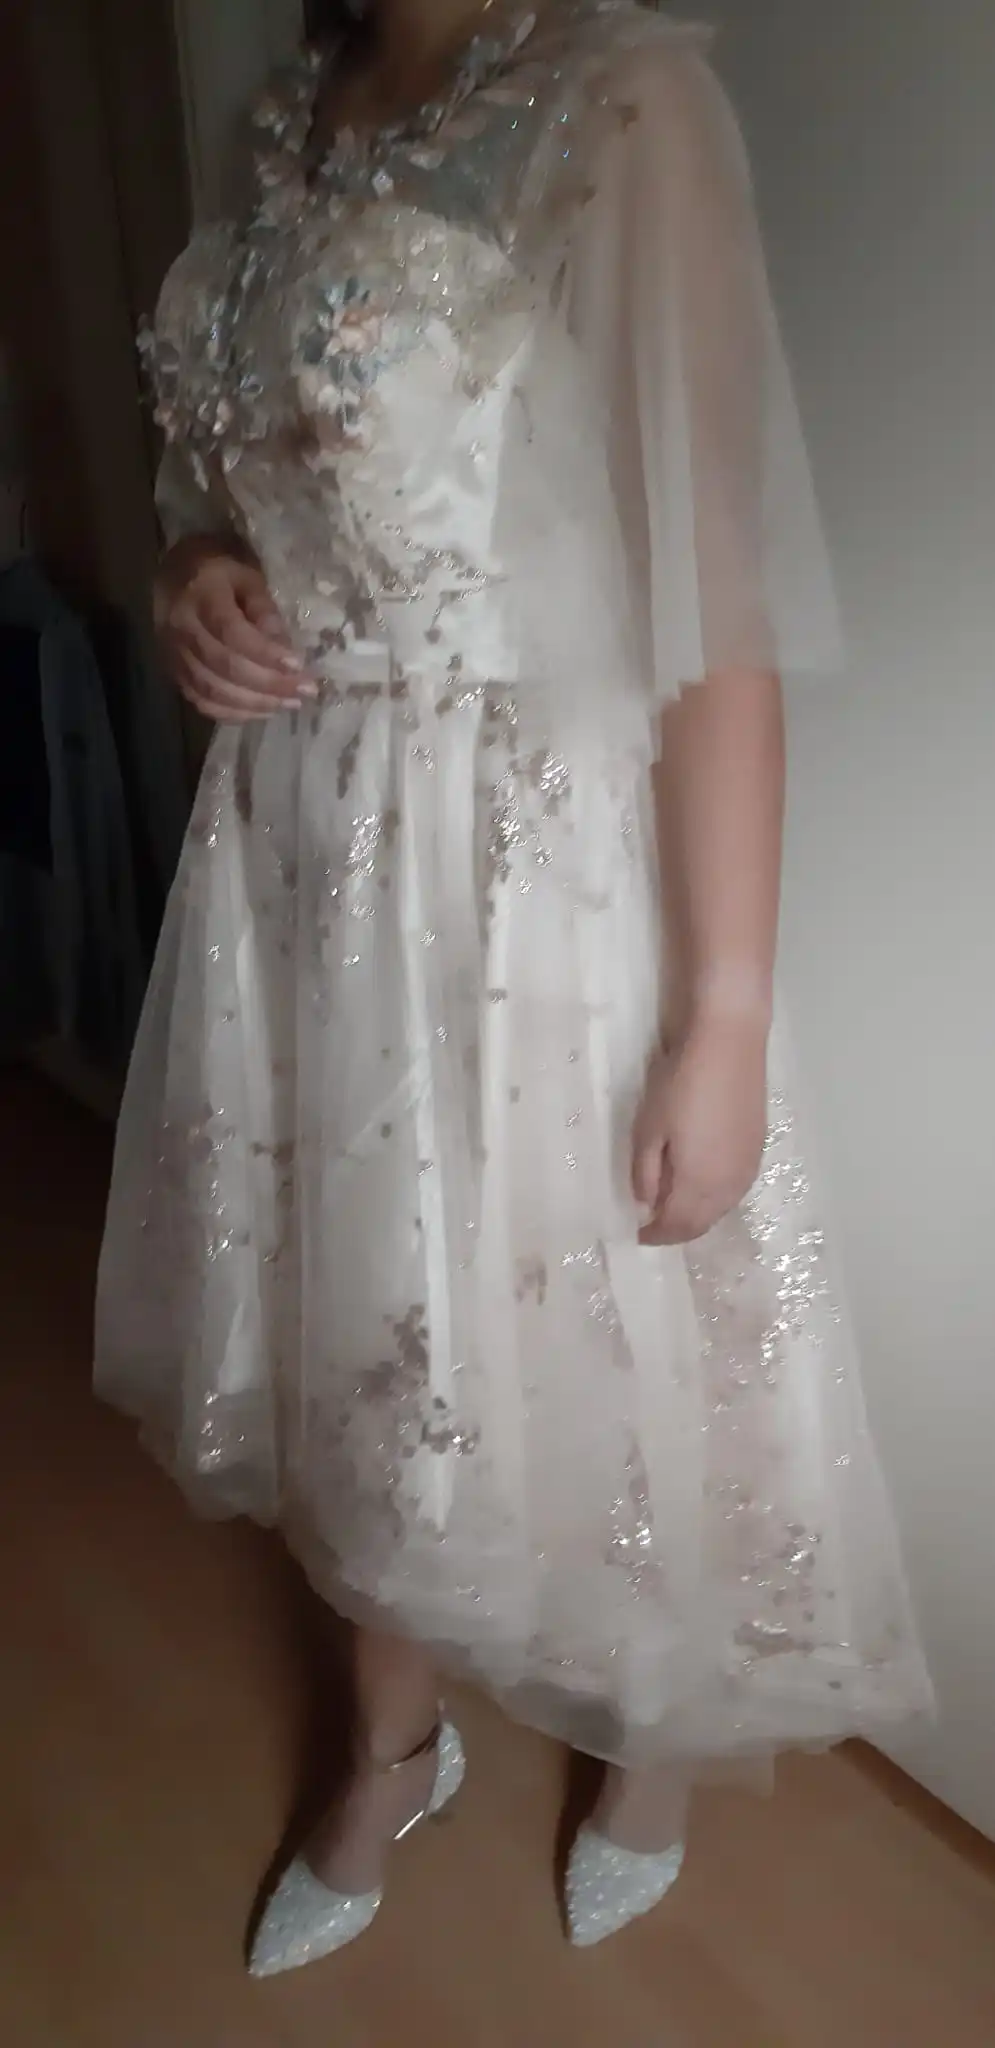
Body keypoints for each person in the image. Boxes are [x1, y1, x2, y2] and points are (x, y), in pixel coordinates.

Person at [95, 0, 932, 1971]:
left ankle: (651, 1734)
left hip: (522, 864)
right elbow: (238, 487)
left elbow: (706, 589)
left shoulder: (619, 102)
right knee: (359, 1327)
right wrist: (191, 577)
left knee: (606, 1335)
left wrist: (723, 1013)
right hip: (293, 852)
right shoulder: (280, 117)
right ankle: (392, 1744)